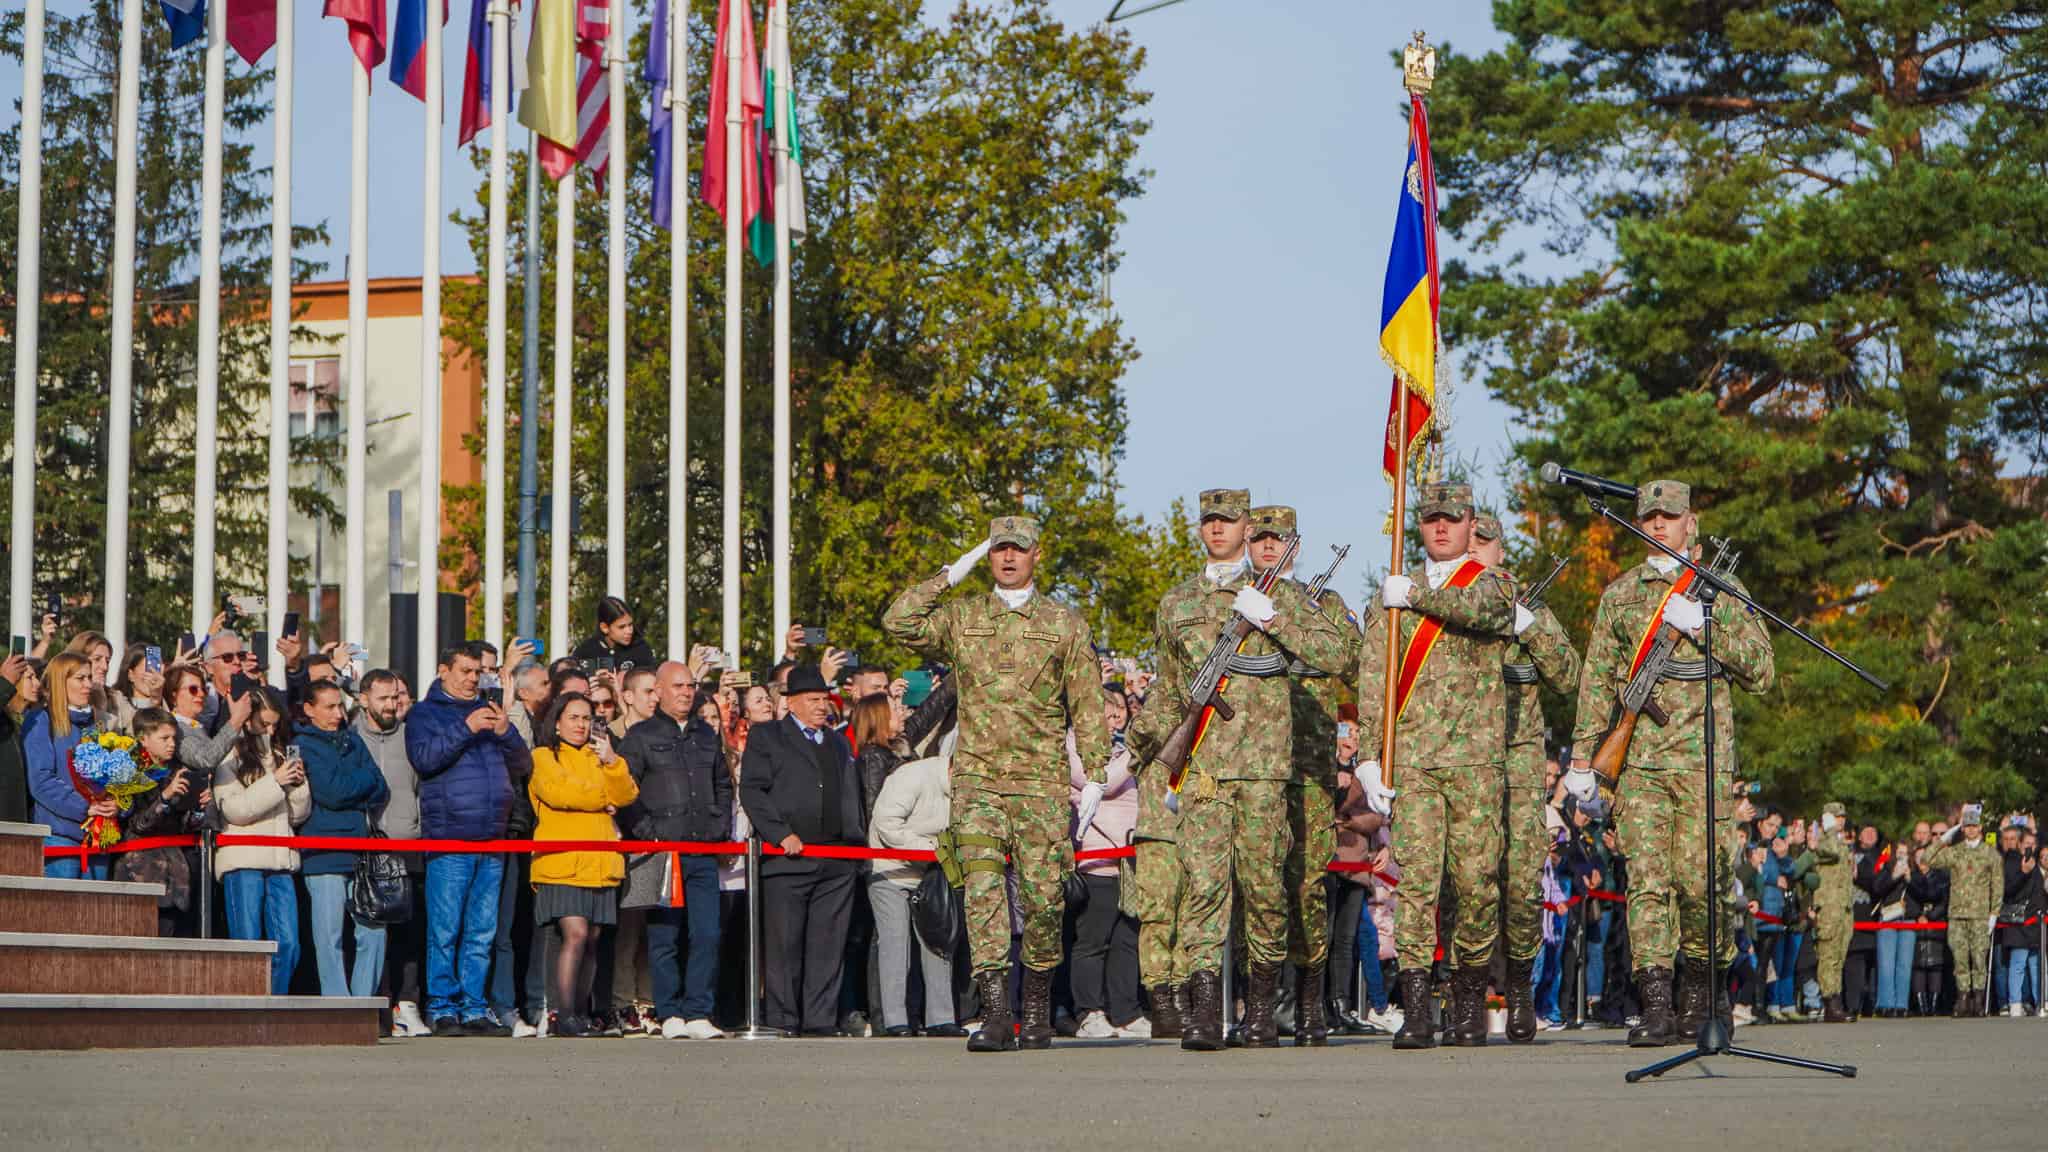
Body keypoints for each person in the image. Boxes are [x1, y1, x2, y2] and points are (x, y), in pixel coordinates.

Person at [1121, 490, 1347, 1051]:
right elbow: (1172, 691)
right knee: (1203, 888)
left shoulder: (1279, 595)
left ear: (1247, 529)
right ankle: (1203, 1012)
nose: (1219, 530)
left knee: (1266, 888)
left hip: (1267, 769)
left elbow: (1337, 655)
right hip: (1203, 769)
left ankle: (1263, 1008)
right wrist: (1127, 753)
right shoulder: (1178, 602)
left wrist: (1271, 618)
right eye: (1210, 522)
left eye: (1229, 521)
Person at [883, 515, 1118, 1051]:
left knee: (1044, 900)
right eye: (997, 550)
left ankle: (1035, 1008)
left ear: (1037, 555)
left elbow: (1086, 704)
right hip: (979, 782)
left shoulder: (1064, 623)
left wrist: (1099, 774)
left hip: (1040, 783)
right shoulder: (963, 617)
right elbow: (898, 621)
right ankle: (995, 1013)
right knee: (983, 893)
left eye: (1018, 550)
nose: (1008, 558)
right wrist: (949, 575)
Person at [1561, 479, 1775, 1047]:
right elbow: (1597, 682)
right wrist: (1584, 758)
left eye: (1669, 515)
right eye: (1650, 515)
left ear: (1691, 523)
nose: (1657, 525)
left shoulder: (1721, 589)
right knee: (1649, 882)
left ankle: (1705, 997)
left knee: (1702, 881)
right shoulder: (1621, 595)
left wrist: (1709, 628)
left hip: (1704, 759)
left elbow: (1762, 670)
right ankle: (1654, 1003)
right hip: (1642, 764)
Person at [1353, 482, 1518, 1049]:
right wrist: (1371, 758)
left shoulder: (1492, 583)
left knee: (1476, 885)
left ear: (1472, 523)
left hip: (1476, 761)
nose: (1442, 527)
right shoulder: (1392, 596)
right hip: (1417, 761)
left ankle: (1469, 1000)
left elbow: (1487, 613)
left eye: (1452, 518)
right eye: (1431, 519)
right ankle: (1418, 1005)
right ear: (1418, 526)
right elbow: (1374, 677)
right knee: (1418, 884)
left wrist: (1416, 599)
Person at [1247, 505, 1363, 1047]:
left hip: (1307, 762)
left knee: (1307, 884)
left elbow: (1348, 658)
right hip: (1248, 762)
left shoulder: (1325, 605)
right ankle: (1258, 1006)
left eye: (1279, 538)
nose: (1269, 546)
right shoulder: (1232, 598)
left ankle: (1311, 1003)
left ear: (1296, 544)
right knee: (1256, 883)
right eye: (1260, 537)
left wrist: (1278, 624)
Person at [1469, 513, 1582, 1041]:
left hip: (1516, 764)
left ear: (1499, 550)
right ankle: (1465, 994)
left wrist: (1528, 627)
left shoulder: (1528, 607)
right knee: (1465, 880)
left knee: (1519, 883)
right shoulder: (1446, 611)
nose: (1475, 549)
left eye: (1483, 541)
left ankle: (1518, 991)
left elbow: (1568, 674)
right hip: (1460, 759)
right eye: (1468, 541)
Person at [408, 643, 532, 1036]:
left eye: (477, 672)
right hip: (450, 837)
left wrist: (505, 731)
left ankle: (474, 1006)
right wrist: (465, 729)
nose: (471, 679)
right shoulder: (424, 713)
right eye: (464, 671)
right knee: (445, 930)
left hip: (492, 836)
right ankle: (443, 1007)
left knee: (482, 931)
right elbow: (424, 759)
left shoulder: (491, 712)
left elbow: (523, 764)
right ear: (443, 670)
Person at [740, 665, 865, 1037]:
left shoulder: (837, 742)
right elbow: (752, 790)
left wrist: (853, 841)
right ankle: (783, 1017)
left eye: (824, 699)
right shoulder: (768, 737)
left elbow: (849, 792)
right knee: (784, 943)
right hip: (789, 859)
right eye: (812, 699)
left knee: (827, 944)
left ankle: (820, 1018)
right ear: (790, 702)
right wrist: (780, 834)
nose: (821, 706)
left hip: (836, 859)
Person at [618, 661, 730, 1041]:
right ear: (659, 691)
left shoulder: (706, 735)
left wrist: (719, 828)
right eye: (678, 685)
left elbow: (723, 783)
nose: (686, 692)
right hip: (658, 851)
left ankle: (699, 1010)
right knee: (663, 934)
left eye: (691, 685)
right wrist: (647, 834)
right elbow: (625, 790)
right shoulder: (640, 736)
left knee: (707, 933)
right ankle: (669, 1012)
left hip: (700, 847)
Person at [528, 692, 639, 1037]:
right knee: (573, 934)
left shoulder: (601, 758)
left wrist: (612, 763)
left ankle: (581, 1011)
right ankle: (562, 1014)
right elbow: (561, 794)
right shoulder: (543, 756)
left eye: (586, 718)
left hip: (600, 859)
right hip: (561, 860)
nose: (580, 724)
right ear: (557, 722)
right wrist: (602, 797)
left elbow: (627, 795)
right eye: (573, 717)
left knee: (592, 938)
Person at [296, 680, 392, 998]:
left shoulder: (353, 740)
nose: (338, 713)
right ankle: (337, 1004)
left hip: (361, 850)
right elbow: (332, 792)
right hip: (323, 851)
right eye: (329, 707)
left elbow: (382, 787)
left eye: (340, 705)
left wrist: (356, 783)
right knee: (329, 936)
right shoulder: (303, 744)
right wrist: (361, 781)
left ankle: (362, 1002)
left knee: (374, 930)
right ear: (309, 709)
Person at [868, 732, 965, 1039]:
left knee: (939, 942)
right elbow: (886, 822)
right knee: (896, 944)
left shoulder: (968, 793)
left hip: (933, 873)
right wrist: (929, 848)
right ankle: (894, 1020)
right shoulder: (912, 776)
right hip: (890, 869)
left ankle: (941, 1018)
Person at [213, 688, 308, 994]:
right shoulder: (230, 753)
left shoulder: (280, 753)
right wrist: (276, 782)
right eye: (264, 723)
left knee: (290, 946)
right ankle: (247, 1008)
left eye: (275, 724)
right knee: (248, 945)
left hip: (281, 859)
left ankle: (274, 1005)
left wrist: (299, 785)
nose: (270, 730)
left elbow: (297, 815)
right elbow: (234, 810)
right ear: (248, 720)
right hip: (243, 860)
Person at [358, 669, 431, 1037]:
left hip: (408, 844)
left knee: (409, 933)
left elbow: (421, 789)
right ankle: (377, 1006)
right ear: (363, 699)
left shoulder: (410, 736)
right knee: (372, 931)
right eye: (383, 698)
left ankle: (407, 1004)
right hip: (367, 850)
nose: (391, 705)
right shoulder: (351, 736)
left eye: (395, 697)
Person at [1067, 693, 1144, 1039]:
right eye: (1109, 716)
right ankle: (1089, 1012)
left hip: (1126, 860)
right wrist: (1134, 753)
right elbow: (1099, 782)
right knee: (1092, 940)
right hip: (1096, 858)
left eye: (1119, 716)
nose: (1117, 723)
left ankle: (1125, 1011)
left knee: (1125, 940)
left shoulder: (1119, 750)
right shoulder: (1070, 745)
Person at [115, 709, 205, 937]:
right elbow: (137, 824)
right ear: (143, 739)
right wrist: (164, 797)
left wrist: (198, 809)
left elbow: (184, 826)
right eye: (164, 738)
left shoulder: (177, 771)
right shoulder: (127, 771)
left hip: (178, 877)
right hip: (142, 873)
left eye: (174, 738)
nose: (171, 744)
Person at [25, 652, 112, 879]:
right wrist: (85, 807)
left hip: (99, 836)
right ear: (60, 682)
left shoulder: (99, 725)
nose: (88, 685)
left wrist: (114, 804)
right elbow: (41, 781)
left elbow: (114, 776)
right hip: (60, 835)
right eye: (80, 678)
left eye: (89, 678)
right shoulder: (40, 721)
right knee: (63, 912)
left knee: (96, 912)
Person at [1925, 807, 1999, 1016]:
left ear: (1980, 828)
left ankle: (1977, 999)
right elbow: (1927, 860)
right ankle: (1963, 998)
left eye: (1974, 826)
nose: (1970, 830)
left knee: (1978, 959)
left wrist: (1994, 913)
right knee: (1960, 959)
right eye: (1967, 826)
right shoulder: (1956, 852)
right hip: (1957, 914)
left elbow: (1997, 884)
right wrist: (1944, 839)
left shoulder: (1990, 853)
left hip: (1980, 914)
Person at [1808, 805, 1856, 1022]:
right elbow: (1831, 851)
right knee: (1828, 957)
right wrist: (1827, 830)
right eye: (1836, 817)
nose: (1841, 820)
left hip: (1843, 908)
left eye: (1843, 816)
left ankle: (1836, 1000)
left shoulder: (1838, 841)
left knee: (1839, 956)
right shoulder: (1824, 840)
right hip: (1828, 909)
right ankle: (1831, 1002)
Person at [2000, 829, 2042, 1017]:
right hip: (2019, 920)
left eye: (2033, 844)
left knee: (2037, 965)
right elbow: (2008, 890)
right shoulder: (2011, 862)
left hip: (2036, 920)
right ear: (2019, 844)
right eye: (2026, 843)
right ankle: (2014, 1003)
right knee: (2018, 963)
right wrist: (2024, 873)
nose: (2029, 847)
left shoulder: (2039, 864)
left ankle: (2040, 1001)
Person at [571, 596, 659, 672]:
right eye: (622, 627)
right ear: (604, 628)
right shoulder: (585, 652)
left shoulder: (641, 649)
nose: (629, 631)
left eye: (630, 625)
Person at [0, 651, 38, 823]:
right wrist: (5, 682)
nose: (37, 684)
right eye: (29, 678)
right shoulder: (4, 720)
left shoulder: (36, 720)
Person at [108, 643, 166, 734]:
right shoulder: (115, 702)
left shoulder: (165, 702)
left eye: (156, 669)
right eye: (148, 670)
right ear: (130, 675)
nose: (153, 676)